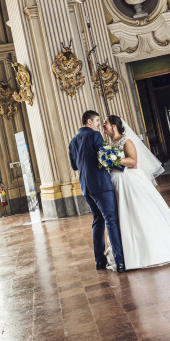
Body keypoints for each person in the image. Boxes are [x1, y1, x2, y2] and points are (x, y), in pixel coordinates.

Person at [103, 115, 170, 270]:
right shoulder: (110, 144)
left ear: (114, 126)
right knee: (123, 215)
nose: (103, 125)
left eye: (106, 123)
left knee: (138, 212)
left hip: (130, 182)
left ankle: (151, 250)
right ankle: (127, 252)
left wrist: (113, 160)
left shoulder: (126, 141)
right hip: (116, 182)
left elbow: (133, 161)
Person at [69, 110, 126, 273]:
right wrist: (122, 167)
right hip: (101, 186)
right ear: (89, 122)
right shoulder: (94, 135)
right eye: (97, 121)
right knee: (111, 220)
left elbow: (74, 166)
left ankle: (99, 260)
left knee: (98, 221)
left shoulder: (72, 141)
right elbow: (105, 157)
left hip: (86, 188)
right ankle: (120, 261)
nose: (99, 124)